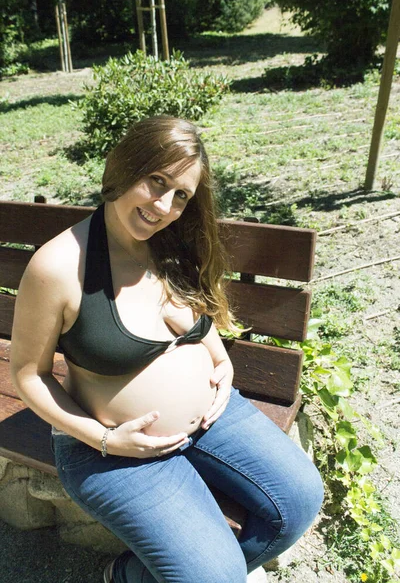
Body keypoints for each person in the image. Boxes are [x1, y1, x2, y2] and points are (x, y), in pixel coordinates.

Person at [10, 115, 324, 583]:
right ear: (125, 166)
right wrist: (104, 439)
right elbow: (28, 375)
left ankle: (140, 575)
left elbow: (192, 319)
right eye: (157, 182)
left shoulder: (168, 243)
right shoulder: (57, 266)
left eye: (181, 195)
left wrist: (221, 362)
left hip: (213, 419)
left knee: (300, 501)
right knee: (215, 577)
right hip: (113, 451)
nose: (164, 206)